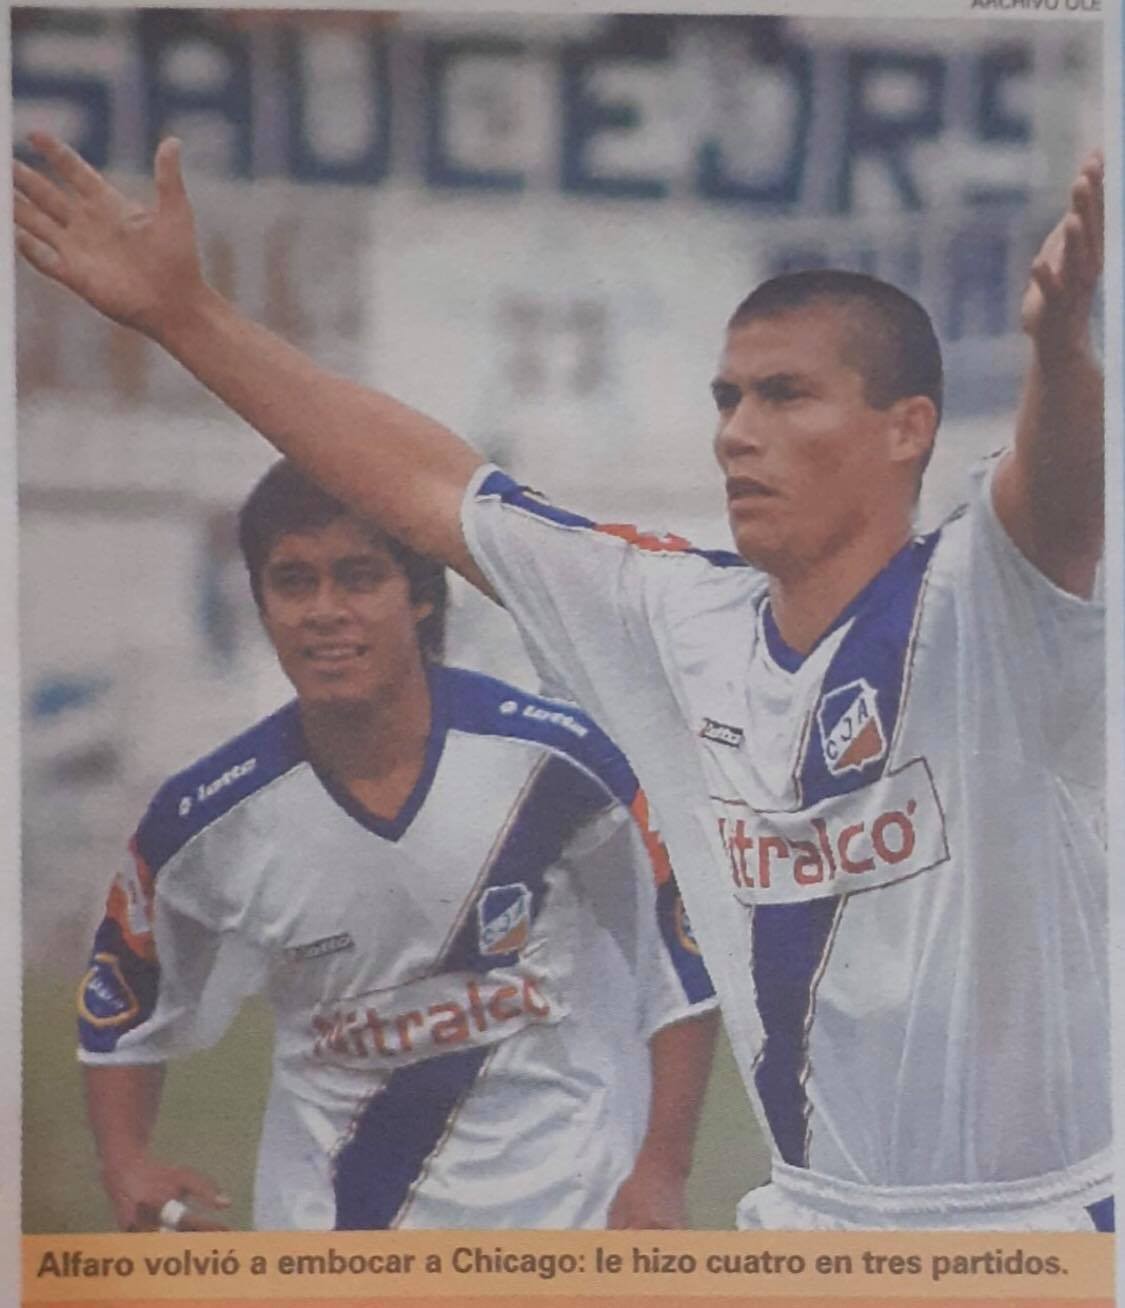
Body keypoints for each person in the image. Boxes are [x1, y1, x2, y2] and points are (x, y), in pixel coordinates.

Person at [15, 134, 1108, 1230]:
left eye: (784, 397)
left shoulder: (988, 603)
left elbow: (1058, 497)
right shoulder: (671, 619)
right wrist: (187, 316)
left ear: (907, 428)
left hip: (1043, 1235)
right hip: (815, 1231)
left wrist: (1061, 358)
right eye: (727, 399)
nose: (737, 435)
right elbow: (432, 486)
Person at [74, 459, 718, 1233]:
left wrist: (661, 1170)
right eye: (293, 583)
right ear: (262, 604)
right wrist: (124, 1161)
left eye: (357, 578)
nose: (325, 611)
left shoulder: (555, 761)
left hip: (562, 1229)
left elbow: (681, 961)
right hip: (332, 1245)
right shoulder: (204, 816)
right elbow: (126, 989)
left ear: (418, 595)